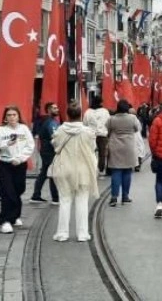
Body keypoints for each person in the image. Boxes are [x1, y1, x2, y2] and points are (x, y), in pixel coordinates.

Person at [50, 104, 99, 242]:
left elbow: (55, 145)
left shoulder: (60, 130)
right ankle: (82, 234)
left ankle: (62, 233)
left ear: (67, 115)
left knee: (65, 200)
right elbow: (93, 148)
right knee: (82, 201)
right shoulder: (88, 132)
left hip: (64, 168)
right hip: (83, 168)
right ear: (81, 115)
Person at [0, 106, 34, 234]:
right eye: (9, 115)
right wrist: (5, 145)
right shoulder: (0, 130)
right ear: (5, 117)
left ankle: (15, 215)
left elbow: (30, 146)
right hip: (4, 164)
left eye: (14, 114)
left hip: (19, 163)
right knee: (8, 191)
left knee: (19, 189)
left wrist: (20, 158)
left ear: (18, 116)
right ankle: (5, 220)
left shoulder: (24, 129)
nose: (12, 117)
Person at [106, 100, 139, 206]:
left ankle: (114, 197)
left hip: (115, 146)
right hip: (129, 146)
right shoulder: (132, 118)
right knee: (127, 172)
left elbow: (107, 130)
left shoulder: (111, 119)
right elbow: (136, 129)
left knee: (116, 172)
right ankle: (125, 196)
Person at [31, 102, 61, 204]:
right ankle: (55, 198)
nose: (56, 109)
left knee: (44, 173)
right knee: (52, 173)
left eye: (57, 108)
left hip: (46, 150)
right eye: (54, 108)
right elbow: (55, 136)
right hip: (49, 151)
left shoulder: (50, 121)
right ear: (48, 110)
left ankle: (36, 195)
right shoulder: (50, 122)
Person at [83, 96, 111, 176]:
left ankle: (91, 169)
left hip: (90, 135)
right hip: (102, 135)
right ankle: (101, 169)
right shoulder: (105, 111)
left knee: (90, 152)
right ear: (100, 103)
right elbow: (108, 122)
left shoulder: (88, 112)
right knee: (102, 153)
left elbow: (85, 123)